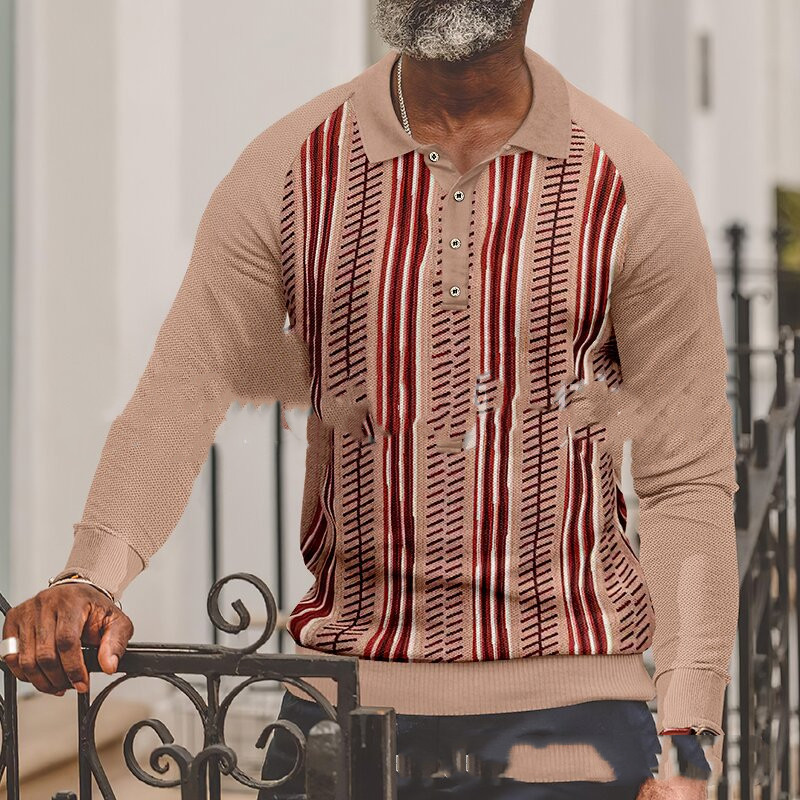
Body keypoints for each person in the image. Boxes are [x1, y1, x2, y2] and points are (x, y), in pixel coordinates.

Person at [3, 0, 738, 796]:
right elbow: (182, 390)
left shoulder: (633, 184)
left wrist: (690, 744)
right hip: (340, 718)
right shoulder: (289, 166)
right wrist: (91, 578)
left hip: (574, 728)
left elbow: (686, 479)